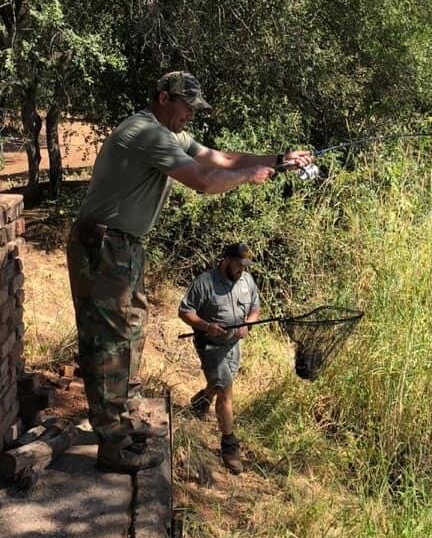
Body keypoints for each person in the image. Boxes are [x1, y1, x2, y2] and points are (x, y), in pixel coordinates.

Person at [66, 71, 311, 474]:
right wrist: (249, 177)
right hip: (105, 247)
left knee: (129, 335)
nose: (191, 117)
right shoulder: (146, 132)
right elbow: (203, 180)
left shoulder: (171, 134)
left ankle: (125, 423)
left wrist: (278, 161)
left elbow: (220, 159)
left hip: (123, 247)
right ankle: (113, 445)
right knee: (110, 342)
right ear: (164, 98)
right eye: (187, 107)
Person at [179, 242, 260, 474]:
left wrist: (249, 324)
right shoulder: (205, 283)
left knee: (220, 384)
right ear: (226, 260)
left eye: (245, 265)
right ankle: (229, 444)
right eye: (238, 264)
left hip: (234, 346)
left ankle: (201, 399)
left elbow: (255, 308)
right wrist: (206, 326)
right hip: (210, 346)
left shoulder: (247, 281)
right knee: (225, 391)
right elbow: (185, 311)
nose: (241, 270)